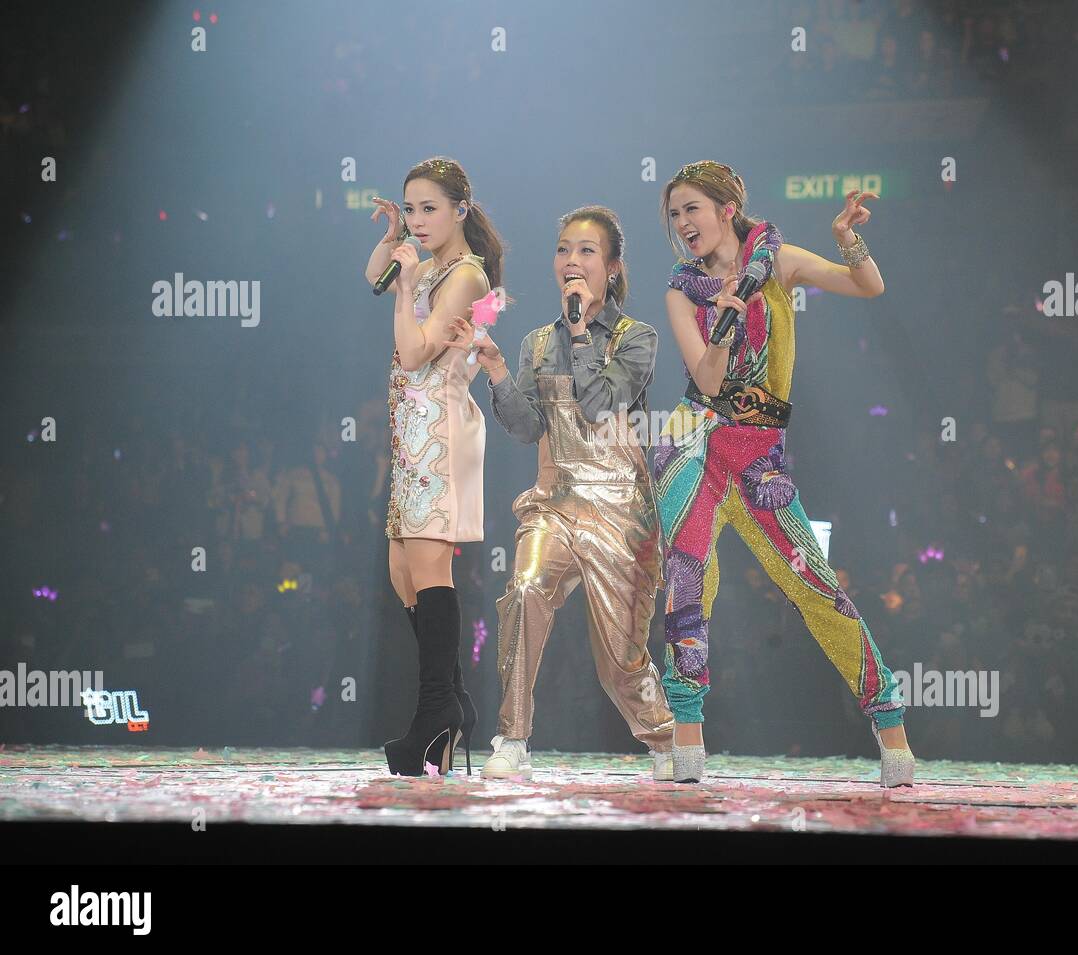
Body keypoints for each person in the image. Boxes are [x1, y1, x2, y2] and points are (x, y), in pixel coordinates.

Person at [651, 161, 913, 785]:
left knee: (814, 584)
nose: (683, 223)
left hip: (759, 452)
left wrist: (846, 234)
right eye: (674, 215)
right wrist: (724, 317)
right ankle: (688, 742)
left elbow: (869, 285)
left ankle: (892, 727)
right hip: (692, 442)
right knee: (690, 582)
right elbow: (708, 380)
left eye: (692, 208)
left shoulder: (781, 261)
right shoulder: (680, 290)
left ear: (727, 206)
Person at [456, 206, 675, 780]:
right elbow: (530, 427)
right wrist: (501, 372)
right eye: (562, 249)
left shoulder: (638, 338)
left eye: (585, 251)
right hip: (556, 499)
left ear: (612, 268)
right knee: (525, 590)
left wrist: (579, 335)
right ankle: (513, 738)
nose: (571, 261)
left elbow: (601, 404)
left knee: (620, 663)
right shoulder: (533, 343)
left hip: (621, 510)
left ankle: (666, 742)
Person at [363, 156, 503, 776]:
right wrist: (390, 241)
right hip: (411, 428)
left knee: (428, 564)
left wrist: (405, 284)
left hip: (440, 427)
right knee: (402, 570)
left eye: (429, 209)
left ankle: (434, 713)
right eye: (410, 207)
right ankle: (450, 706)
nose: (418, 220)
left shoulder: (468, 275)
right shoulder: (430, 263)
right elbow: (372, 271)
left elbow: (415, 351)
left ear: (460, 210)